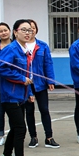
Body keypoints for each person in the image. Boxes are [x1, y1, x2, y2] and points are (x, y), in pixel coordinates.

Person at [0, 20, 38, 156]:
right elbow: (0, 68)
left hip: (21, 95)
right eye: (24, 30)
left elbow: (27, 73)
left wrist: (29, 92)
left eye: (30, 30)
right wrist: (21, 79)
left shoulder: (25, 49)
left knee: (15, 127)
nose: (27, 33)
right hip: (10, 96)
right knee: (20, 129)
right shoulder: (11, 49)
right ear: (15, 32)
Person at [24, 20, 59, 149]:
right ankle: (33, 137)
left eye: (33, 28)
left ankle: (49, 137)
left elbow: (48, 63)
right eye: (28, 28)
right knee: (29, 111)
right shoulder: (20, 46)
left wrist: (50, 80)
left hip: (40, 83)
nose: (31, 30)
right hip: (26, 84)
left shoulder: (42, 46)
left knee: (44, 109)